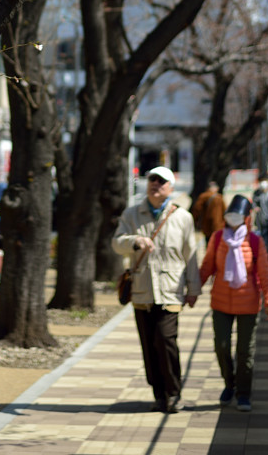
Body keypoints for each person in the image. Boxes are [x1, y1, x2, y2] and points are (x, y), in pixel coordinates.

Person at [112, 165, 201, 414]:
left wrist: (193, 289)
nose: (156, 184)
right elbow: (116, 243)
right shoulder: (132, 214)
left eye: (162, 181)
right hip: (142, 290)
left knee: (165, 340)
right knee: (149, 346)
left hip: (171, 290)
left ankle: (174, 392)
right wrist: (134, 241)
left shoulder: (182, 217)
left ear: (170, 188)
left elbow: (191, 255)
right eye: (152, 179)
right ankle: (158, 395)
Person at [199, 194, 268, 413]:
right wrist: (193, 291)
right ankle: (229, 384)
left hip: (248, 303)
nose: (234, 219)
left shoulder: (254, 241)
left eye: (238, 215)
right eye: (230, 215)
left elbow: (264, 273)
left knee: (245, 351)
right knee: (221, 346)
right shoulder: (217, 238)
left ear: (246, 217)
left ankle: (243, 393)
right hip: (221, 302)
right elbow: (207, 267)